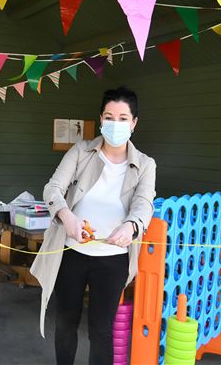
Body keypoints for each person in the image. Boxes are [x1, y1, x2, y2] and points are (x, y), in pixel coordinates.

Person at [31, 86, 156, 365]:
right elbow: (53, 188)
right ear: (101, 119)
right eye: (109, 117)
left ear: (134, 123)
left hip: (113, 259)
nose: (115, 123)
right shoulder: (80, 151)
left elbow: (144, 203)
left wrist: (132, 227)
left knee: (101, 330)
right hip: (71, 251)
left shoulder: (146, 164)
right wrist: (67, 217)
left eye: (123, 118)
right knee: (65, 323)